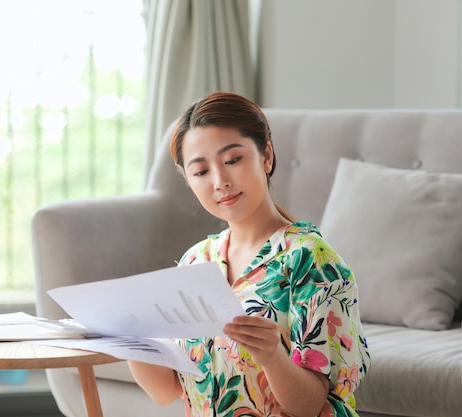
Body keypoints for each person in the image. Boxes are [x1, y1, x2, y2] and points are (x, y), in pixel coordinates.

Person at [128, 91, 370, 417]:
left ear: (266, 156)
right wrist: (131, 339)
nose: (220, 181)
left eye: (232, 161)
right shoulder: (196, 262)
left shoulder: (312, 262)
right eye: (201, 172)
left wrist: (272, 357)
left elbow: (310, 406)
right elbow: (168, 390)